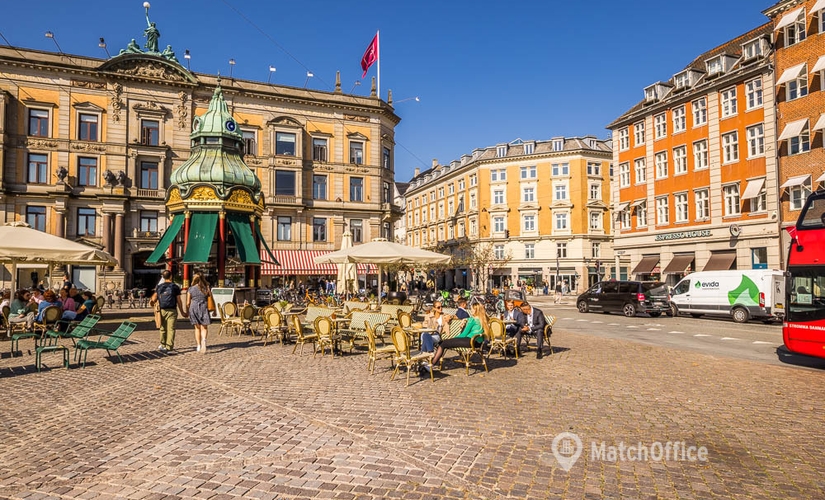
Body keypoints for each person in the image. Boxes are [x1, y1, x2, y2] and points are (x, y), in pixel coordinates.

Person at [429, 303, 491, 368]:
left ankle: (432, 364)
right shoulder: (483, 319)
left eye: (471, 309)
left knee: (443, 344)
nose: (470, 310)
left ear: (475, 310)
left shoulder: (472, 320)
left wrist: (453, 339)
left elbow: (464, 334)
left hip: (469, 341)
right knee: (444, 343)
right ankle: (432, 363)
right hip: (478, 343)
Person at [150, 270, 185, 353]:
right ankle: (169, 347)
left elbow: (154, 298)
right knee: (171, 329)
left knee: (162, 328)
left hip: (162, 310)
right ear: (171, 276)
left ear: (163, 277)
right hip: (172, 310)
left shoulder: (159, 287)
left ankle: (163, 344)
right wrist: (182, 311)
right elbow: (179, 300)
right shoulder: (175, 287)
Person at [186, 273, 212, 354]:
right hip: (204, 307)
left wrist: (188, 311)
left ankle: (198, 345)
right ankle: (204, 339)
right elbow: (210, 298)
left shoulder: (191, 289)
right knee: (204, 327)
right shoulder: (206, 288)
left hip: (194, 307)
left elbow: (187, 302)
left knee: (197, 328)